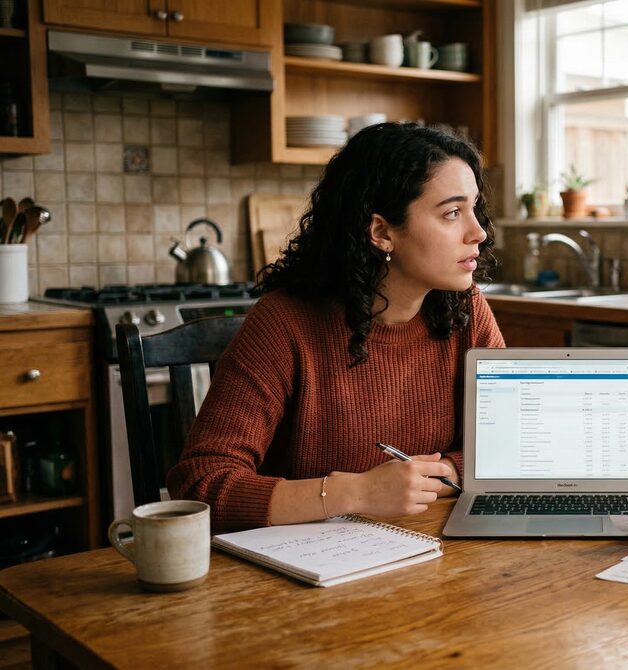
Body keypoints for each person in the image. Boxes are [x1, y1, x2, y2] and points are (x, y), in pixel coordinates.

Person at [167, 123, 506, 530]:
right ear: (381, 232)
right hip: (302, 569)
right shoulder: (284, 323)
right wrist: (359, 493)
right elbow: (201, 484)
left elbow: (506, 443)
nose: (479, 232)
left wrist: (430, 478)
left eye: (473, 208)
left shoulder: (465, 311)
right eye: (452, 213)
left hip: (428, 552)